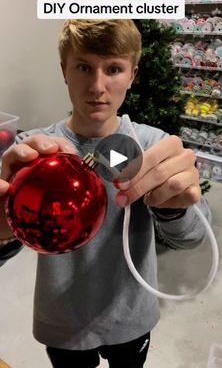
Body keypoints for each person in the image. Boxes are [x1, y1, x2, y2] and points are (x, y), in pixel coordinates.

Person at [0, 19, 210, 368]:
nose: (98, 86)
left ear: (133, 74)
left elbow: (193, 237)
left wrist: (174, 207)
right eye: (84, 67)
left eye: (113, 68)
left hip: (131, 318)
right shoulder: (35, 152)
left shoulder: (150, 146)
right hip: (64, 322)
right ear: (64, 70)